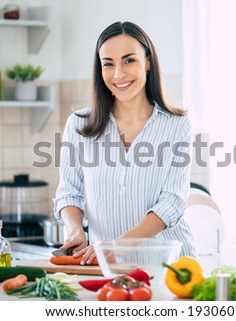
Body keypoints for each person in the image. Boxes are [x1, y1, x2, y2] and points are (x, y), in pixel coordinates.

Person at [53, 21, 195, 264]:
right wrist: (76, 230)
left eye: (129, 60)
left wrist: (119, 246)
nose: (118, 74)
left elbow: (172, 202)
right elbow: (69, 193)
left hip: (170, 267)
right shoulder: (78, 126)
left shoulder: (177, 125)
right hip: (109, 269)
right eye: (108, 64)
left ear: (148, 61)